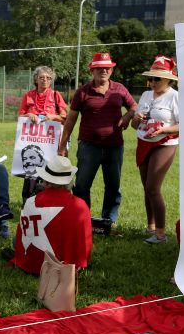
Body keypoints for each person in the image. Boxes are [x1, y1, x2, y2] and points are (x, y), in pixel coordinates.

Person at [58, 52, 137, 226]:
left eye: (107, 68)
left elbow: (134, 106)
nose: (104, 71)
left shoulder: (120, 89)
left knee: (113, 186)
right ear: (92, 70)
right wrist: (62, 145)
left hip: (114, 146)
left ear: (111, 70)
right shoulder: (82, 92)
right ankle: (82, 219)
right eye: (99, 68)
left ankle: (109, 220)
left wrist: (127, 116)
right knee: (82, 185)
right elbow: (71, 120)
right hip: (88, 147)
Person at [8, 155, 93, 275]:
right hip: (65, 268)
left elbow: (22, 238)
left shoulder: (30, 202)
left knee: (15, 240)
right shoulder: (80, 206)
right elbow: (86, 245)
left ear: (46, 181)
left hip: (32, 264)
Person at [131, 56, 180, 244]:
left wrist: (164, 130)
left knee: (153, 187)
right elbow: (135, 125)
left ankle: (161, 234)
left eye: (157, 78)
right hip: (143, 141)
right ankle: (150, 227)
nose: (152, 82)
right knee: (147, 187)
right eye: (150, 78)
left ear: (168, 79)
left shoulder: (175, 96)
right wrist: (136, 119)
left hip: (165, 143)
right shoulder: (145, 95)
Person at [17, 66, 68, 202]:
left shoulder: (56, 96)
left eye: (48, 78)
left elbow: (65, 118)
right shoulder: (28, 96)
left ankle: (51, 201)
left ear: (51, 81)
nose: (45, 80)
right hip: (32, 141)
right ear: (36, 79)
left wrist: (53, 116)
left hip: (51, 143)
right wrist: (29, 115)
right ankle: (28, 202)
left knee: (51, 172)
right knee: (31, 172)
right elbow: (20, 116)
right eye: (41, 77)